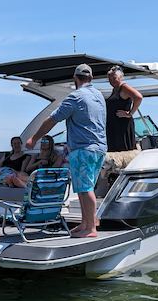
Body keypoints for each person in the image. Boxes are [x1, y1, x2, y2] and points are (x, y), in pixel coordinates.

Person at [26, 63, 106, 238]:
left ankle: (91, 228)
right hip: (99, 148)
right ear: (91, 78)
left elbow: (52, 120)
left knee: (85, 189)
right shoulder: (99, 96)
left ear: (75, 78)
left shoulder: (76, 97)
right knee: (86, 187)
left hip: (83, 148)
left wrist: (34, 138)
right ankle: (85, 223)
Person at [105, 65, 143, 152]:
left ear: (120, 77)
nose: (112, 81)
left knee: (123, 151)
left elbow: (138, 97)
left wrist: (130, 113)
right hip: (114, 126)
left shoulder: (124, 87)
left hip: (122, 126)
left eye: (114, 78)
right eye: (109, 79)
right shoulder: (115, 89)